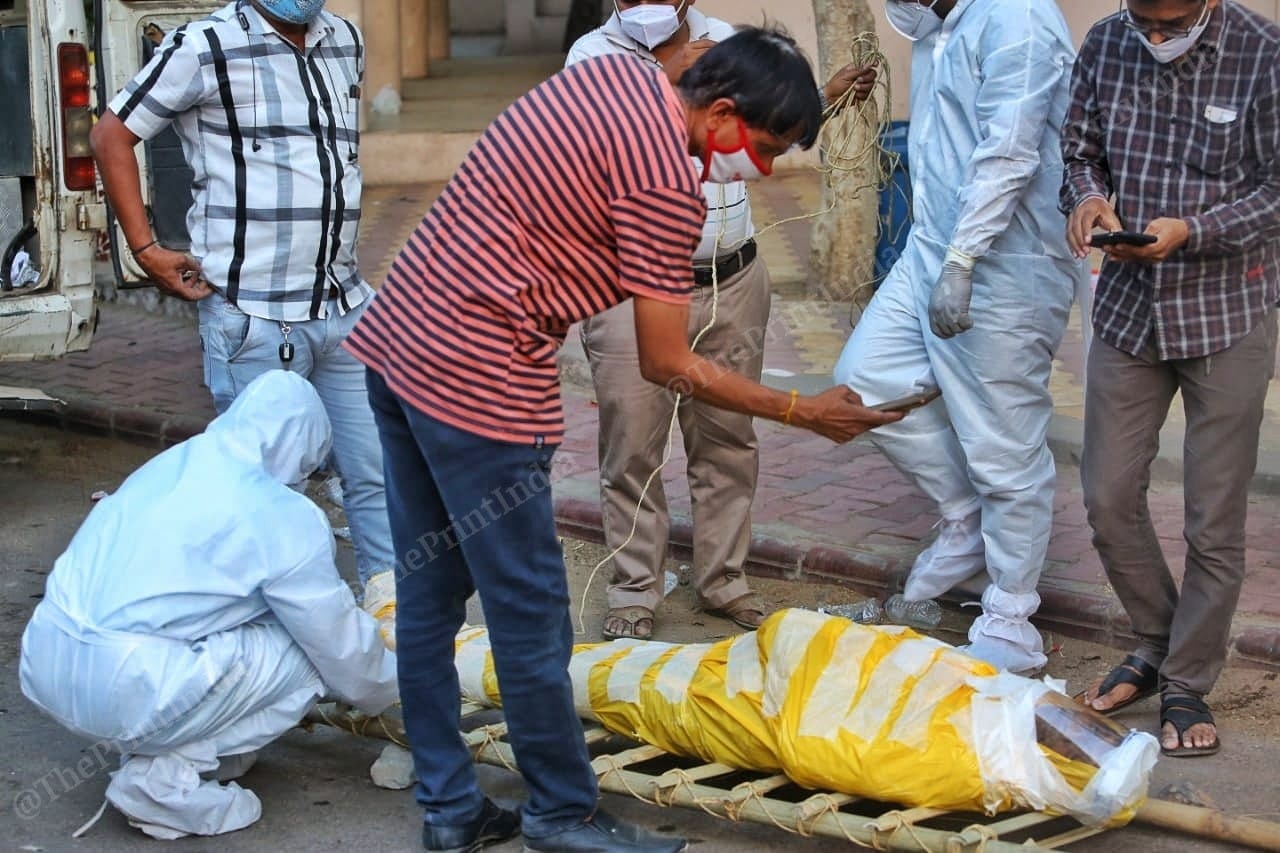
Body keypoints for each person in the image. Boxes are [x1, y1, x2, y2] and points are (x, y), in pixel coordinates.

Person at [344, 28, 902, 853]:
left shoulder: (609, 78)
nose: (768, 167)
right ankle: (561, 814)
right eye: (767, 145)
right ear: (719, 112)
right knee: (529, 613)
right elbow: (667, 360)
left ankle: (450, 806)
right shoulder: (663, 188)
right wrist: (803, 409)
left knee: (429, 593)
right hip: (475, 378)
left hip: (398, 341)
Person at [566, 1, 877, 641]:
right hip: (628, 290)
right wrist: (806, 410)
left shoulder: (730, 41)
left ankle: (723, 580)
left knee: (728, 440)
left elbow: (753, 133)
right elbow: (610, 153)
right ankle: (634, 591)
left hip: (732, 276)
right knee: (632, 446)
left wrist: (819, 99)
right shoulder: (590, 57)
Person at [89, 0, 395, 595]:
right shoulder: (201, 44)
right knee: (265, 498)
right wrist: (145, 248)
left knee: (380, 476)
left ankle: (392, 635)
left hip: (346, 309)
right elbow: (111, 135)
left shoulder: (344, 41)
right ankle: (282, 659)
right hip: (254, 321)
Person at [18, 370, 399, 839]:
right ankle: (162, 783)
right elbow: (339, 647)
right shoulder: (280, 512)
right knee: (309, 656)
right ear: (299, 448)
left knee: (258, 629)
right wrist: (398, 685)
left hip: (46, 660)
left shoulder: (173, 463)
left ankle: (192, 743)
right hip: (126, 686)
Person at [832, 0, 1085, 674]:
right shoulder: (938, 25)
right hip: (929, 247)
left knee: (1003, 441)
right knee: (865, 382)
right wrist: (941, 254)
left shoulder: (1019, 21)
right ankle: (964, 520)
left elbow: (1011, 150)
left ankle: (1010, 612)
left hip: (1006, 261)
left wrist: (964, 260)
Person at [1062, 0, 1280, 758]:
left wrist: (1195, 230)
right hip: (1128, 307)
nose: (1155, 39)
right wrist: (1088, 200)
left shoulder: (1263, 51)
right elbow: (1080, 150)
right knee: (1107, 492)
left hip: (1228, 310)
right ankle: (1157, 640)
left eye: (1172, 25)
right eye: (1143, 22)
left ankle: (1187, 677)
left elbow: (1276, 192)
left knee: (1212, 518)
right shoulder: (1106, 42)